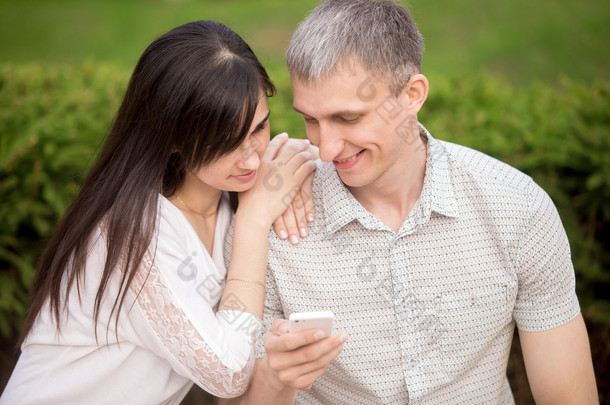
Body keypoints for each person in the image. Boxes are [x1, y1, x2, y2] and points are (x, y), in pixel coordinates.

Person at [221, 0, 599, 404]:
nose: (326, 149)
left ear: (412, 95)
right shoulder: (267, 222)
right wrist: (276, 377)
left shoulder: (517, 210)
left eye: (348, 119)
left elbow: (568, 397)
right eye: (310, 120)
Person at [0, 20, 318, 404]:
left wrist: (299, 175)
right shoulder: (133, 234)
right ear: (172, 140)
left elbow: (312, 161)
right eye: (226, 142)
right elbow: (230, 373)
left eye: (259, 127)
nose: (252, 156)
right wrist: (253, 222)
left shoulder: (228, 189)